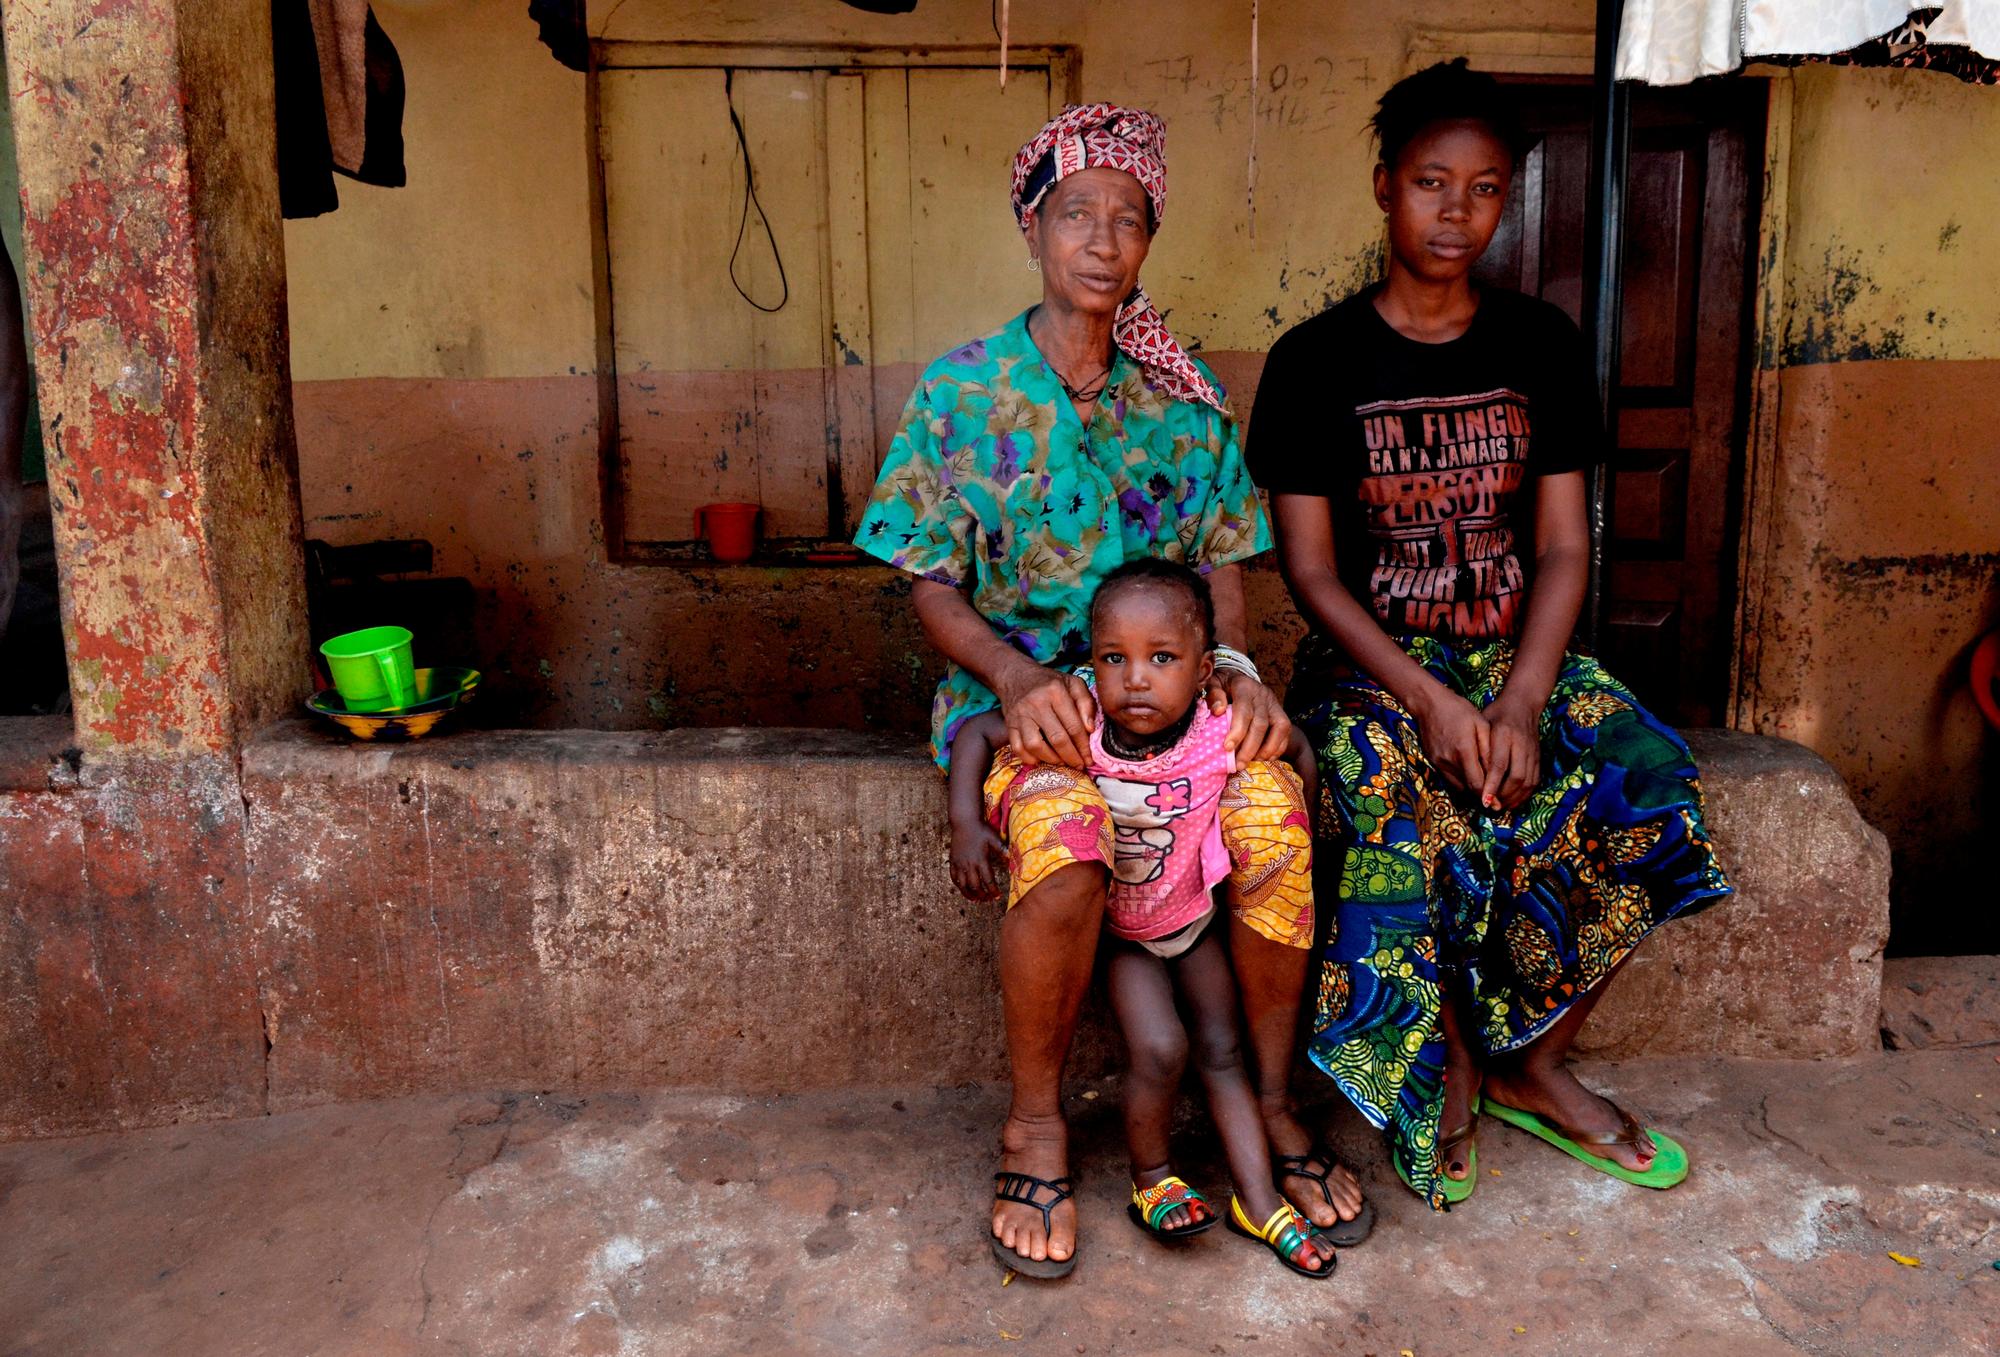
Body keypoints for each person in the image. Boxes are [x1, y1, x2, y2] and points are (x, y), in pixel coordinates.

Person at [853, 103, 1370, 1277]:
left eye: (1125, 219)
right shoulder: (964, 393)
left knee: (1277, 818)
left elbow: (1223, 578)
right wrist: (1014, 671)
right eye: (1075, 213)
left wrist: (1236, 681)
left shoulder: (1182, 404)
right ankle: (1034, 1120)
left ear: (1147, 242)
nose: (1099, 239)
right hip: (1022, 701)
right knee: (1061, 837)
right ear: (1033, 227)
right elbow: (929, 584)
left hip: (1175, 701)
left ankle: (1272, 1107)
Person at [1247, 61, 1733, 1211]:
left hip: (1515, 660)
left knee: (1648, 778)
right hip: (1371, 672)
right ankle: (1439, 1069)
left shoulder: (1540, 344)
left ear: (1505, 198)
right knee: (1385, 801)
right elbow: (1311, 575)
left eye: (1481, 189)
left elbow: (1564, 548)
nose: (1453, 212)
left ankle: (1532, 1059)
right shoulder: (1314, 362)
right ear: (1382, 188)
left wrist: (1519, 698)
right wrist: (1430, 701)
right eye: (1428, 183)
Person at [946, 560, 1333, 1278]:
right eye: (1113, 658)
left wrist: (1299, 817)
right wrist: (966, 824)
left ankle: (1260, 1204)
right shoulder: (1084, 718)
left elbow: (1298, 747)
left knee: (1223, 1051)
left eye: (1162, 658)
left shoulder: (1219, 727)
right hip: (1125, 937)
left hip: (1189, 922)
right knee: (1161, 1049)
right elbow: (977, 733)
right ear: (1090, 662)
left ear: (1206, 666)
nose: (1135, 679)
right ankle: (1151, 1177)